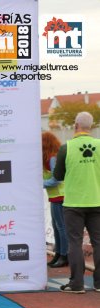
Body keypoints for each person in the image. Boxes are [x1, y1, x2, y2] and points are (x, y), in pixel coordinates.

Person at [53, 111, 100, 293]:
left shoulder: (66, 148)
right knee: (98, 242)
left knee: (74, 242)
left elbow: (58, 175)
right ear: (92, 126)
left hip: (74, 203)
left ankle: (77, 284)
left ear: (75, 125)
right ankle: (99, 283)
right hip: (97, 200)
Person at [42, 132, 68, 268]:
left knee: (61, 227)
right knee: (56, 227)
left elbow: (56, 179)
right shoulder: (49, 158)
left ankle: (64, 255)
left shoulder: (52, 158)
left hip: (60, 196)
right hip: (55, 197)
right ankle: (58, 253)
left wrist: (40, 184)